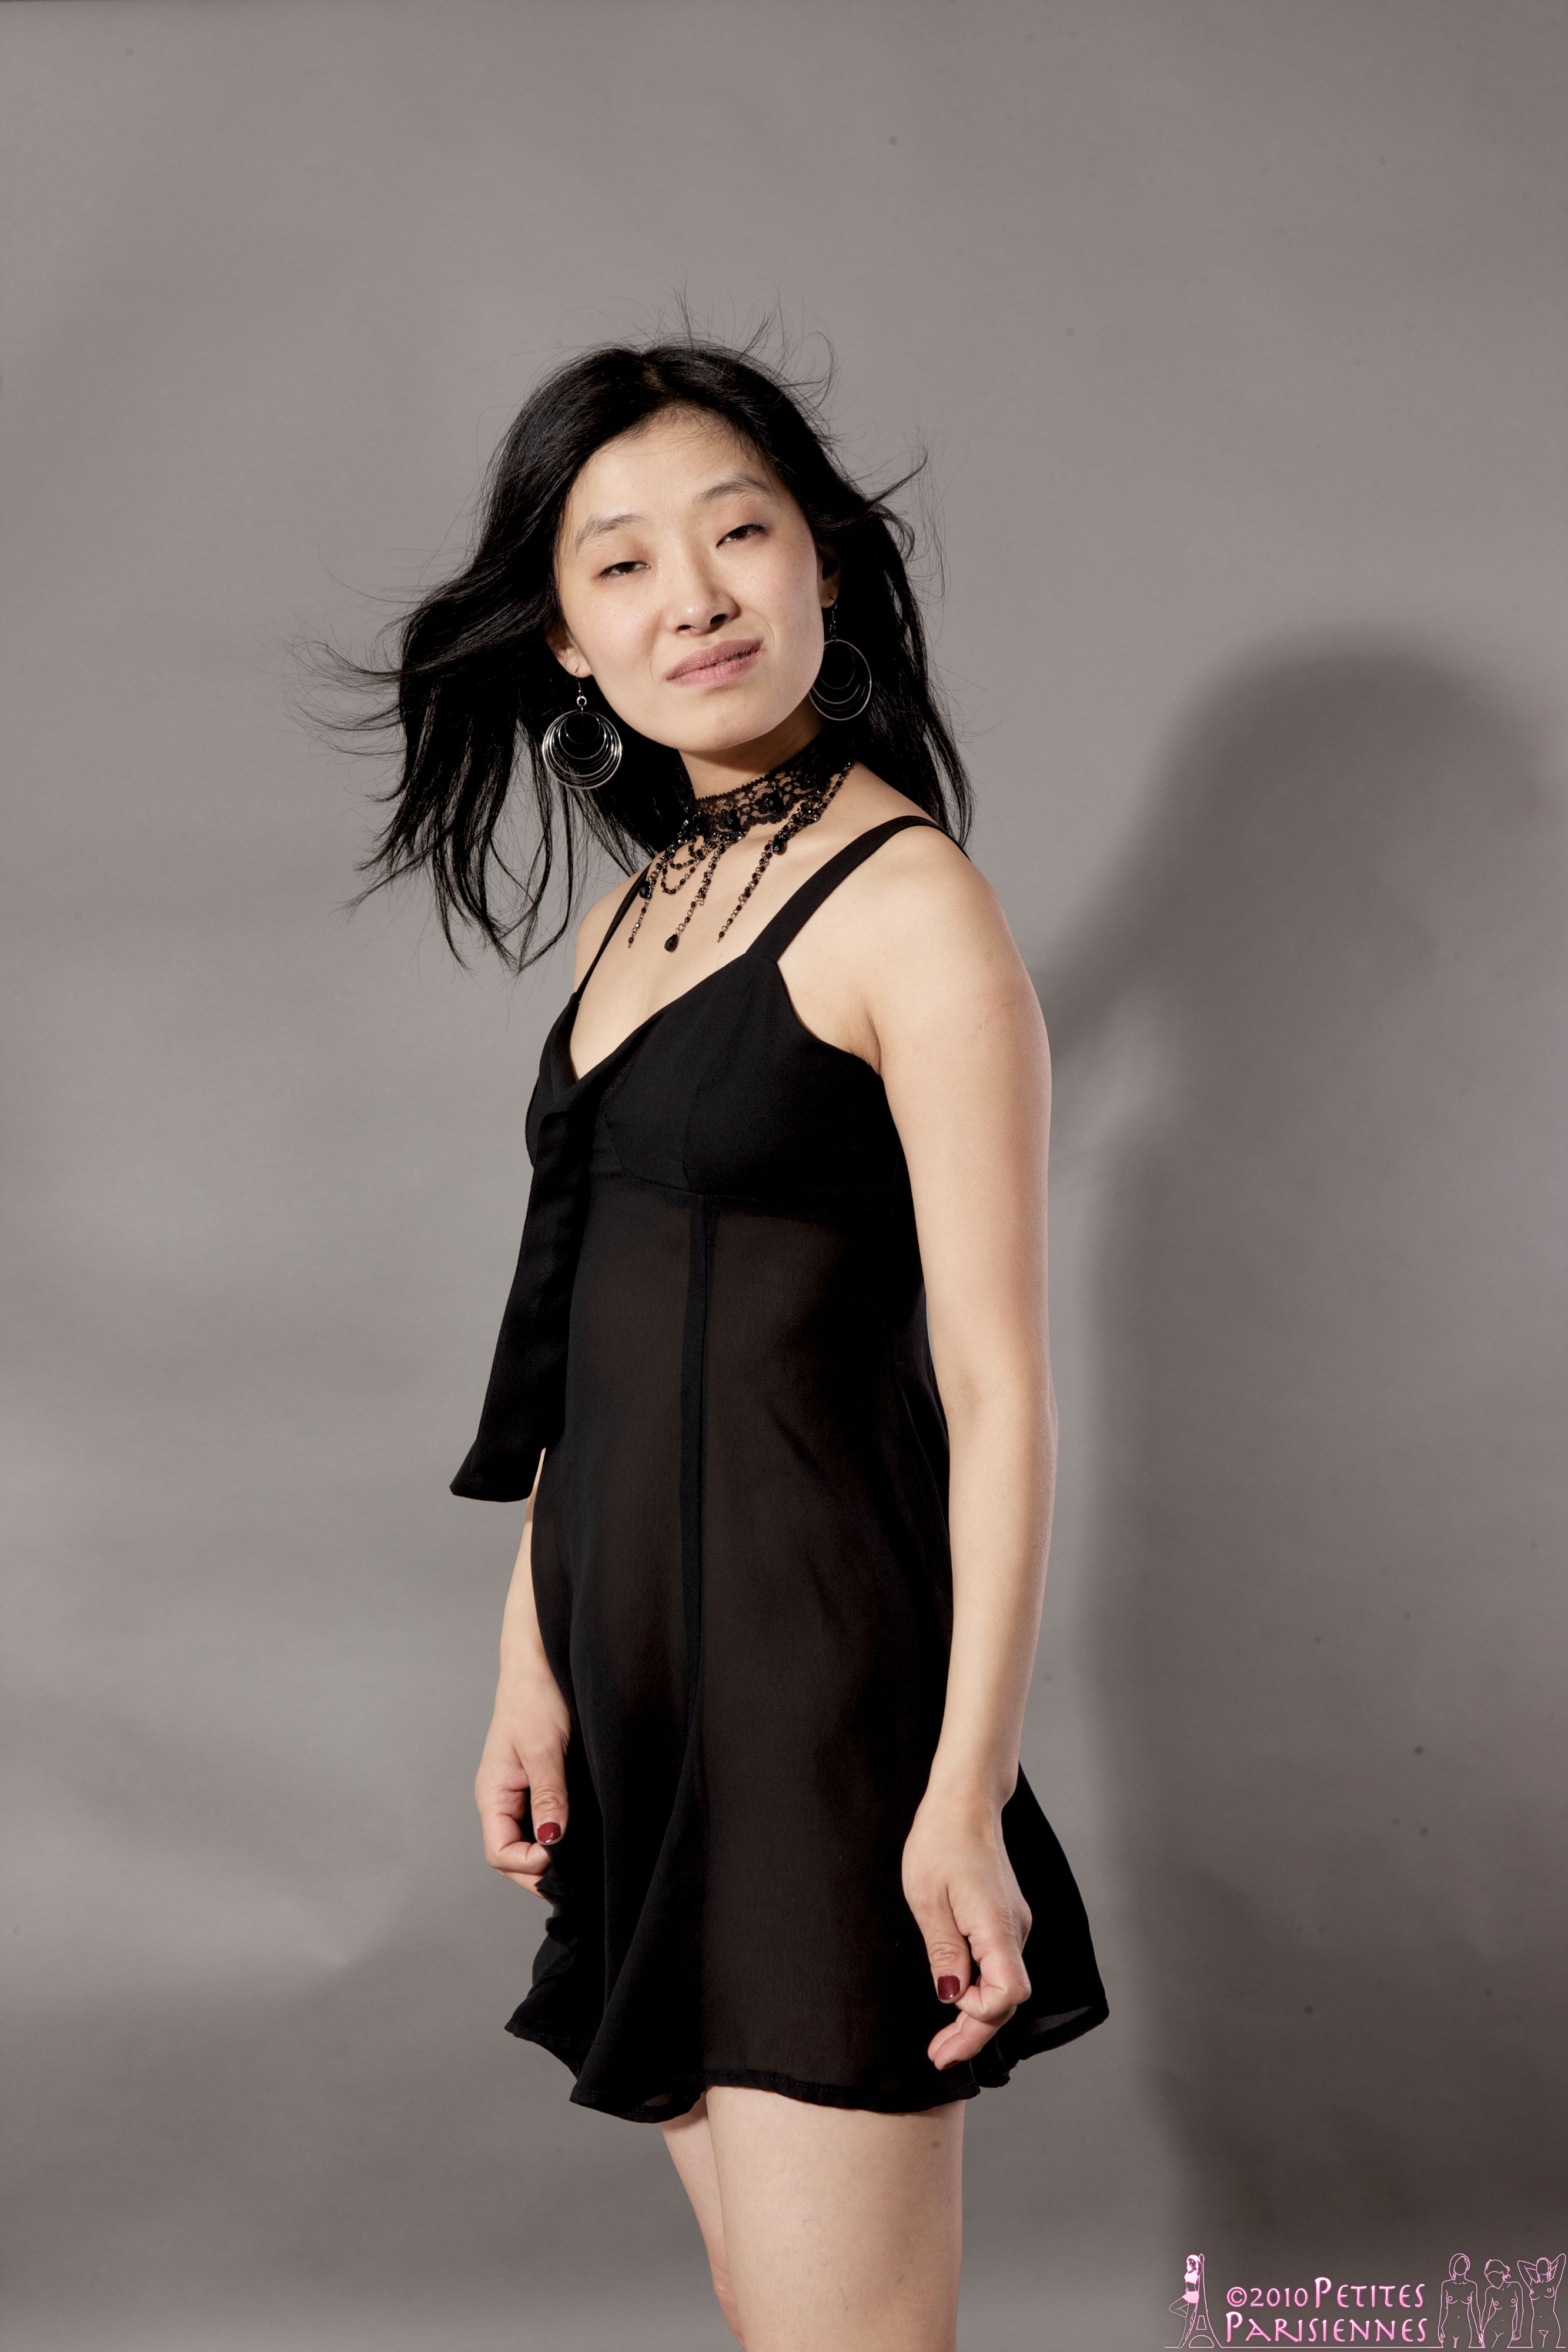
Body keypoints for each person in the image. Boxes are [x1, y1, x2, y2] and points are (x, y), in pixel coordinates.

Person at [350, 332, 1108, 2352]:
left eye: (736, 533)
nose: (688, 597)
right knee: (771, 2312)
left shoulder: (909, 907)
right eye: (618, 564)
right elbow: (584, 1346)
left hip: (813, 1711)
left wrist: (962, 1792)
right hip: (636, 1700)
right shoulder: (635, 921)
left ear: (822, 564)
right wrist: (527, 1667)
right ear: (564, 641)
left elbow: (999, 1392)